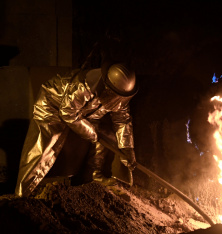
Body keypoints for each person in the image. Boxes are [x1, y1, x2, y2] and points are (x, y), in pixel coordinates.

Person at [15, 61, 137, 197]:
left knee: (107, 136)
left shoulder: (119, 98)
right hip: (53, 104)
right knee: (45, 144)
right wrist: (93, 133)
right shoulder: (83, 86)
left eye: (121, 98)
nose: (118, 102)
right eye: (115, 96)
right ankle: (23, 191)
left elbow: (122, 120)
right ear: (107, 87)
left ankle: (94, 176)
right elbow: (67, 113)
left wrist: (127, 148)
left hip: (82, 111)